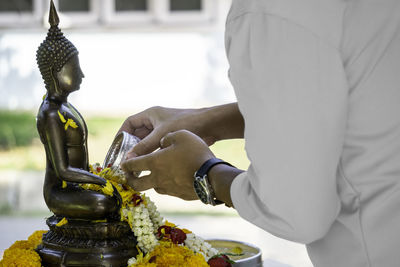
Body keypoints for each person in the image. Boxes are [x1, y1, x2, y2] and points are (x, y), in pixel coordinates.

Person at [120, 0, 400, 266]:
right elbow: (343, 102)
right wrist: (206, 120)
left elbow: (296, 213)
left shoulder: (269, 10)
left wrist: (205, 174)